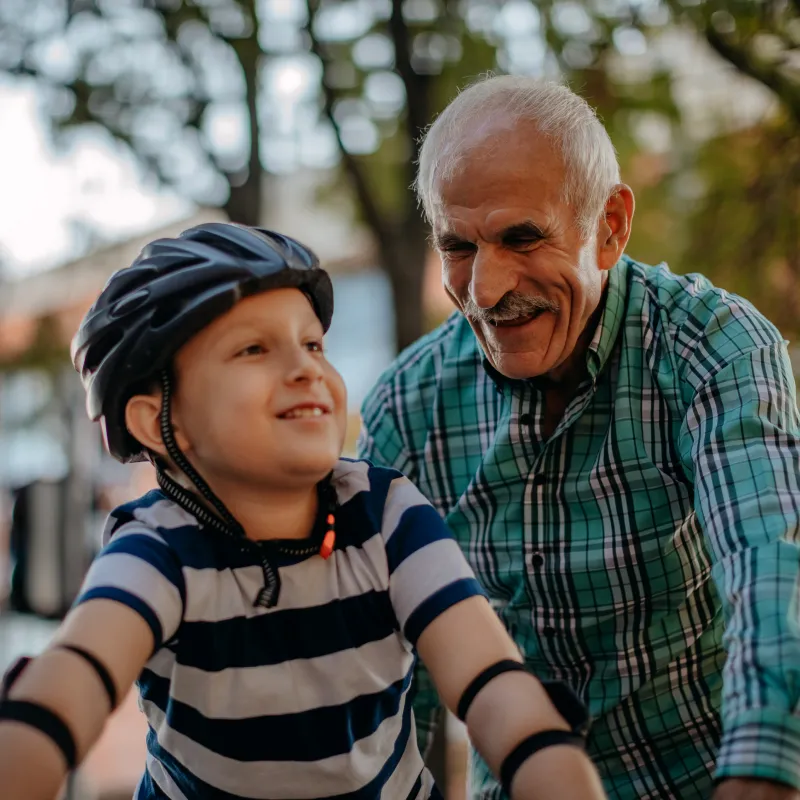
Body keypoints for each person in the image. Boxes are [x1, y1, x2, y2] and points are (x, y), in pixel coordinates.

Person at [0, 222, 607, 800]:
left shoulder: (385, 514)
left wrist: (546, 755)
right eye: (254, 349)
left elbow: (492, 681)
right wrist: (31, 736)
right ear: (159, 422)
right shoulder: (158, 549)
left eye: (313, 343)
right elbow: (73, 677)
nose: (305, 368)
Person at [358, 75, 800, 800]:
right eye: (459, 246)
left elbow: (770, 561)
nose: (488, 289)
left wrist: (764, 768)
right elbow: (395, 686)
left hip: (714, 774)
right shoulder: (407, 410)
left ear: (612, 226)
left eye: (522, 236)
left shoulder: (712, 348)